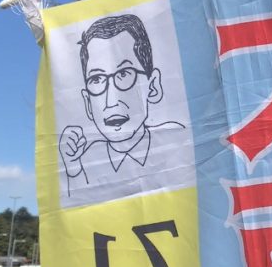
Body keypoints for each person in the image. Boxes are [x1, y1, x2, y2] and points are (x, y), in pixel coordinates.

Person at [58, 14, 185, 196]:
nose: (111, 100)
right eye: (97, 79)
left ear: (152, 85)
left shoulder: (177, 140)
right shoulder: (84, 162)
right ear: (87, 102)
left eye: (124, 74)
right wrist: (73, 170)